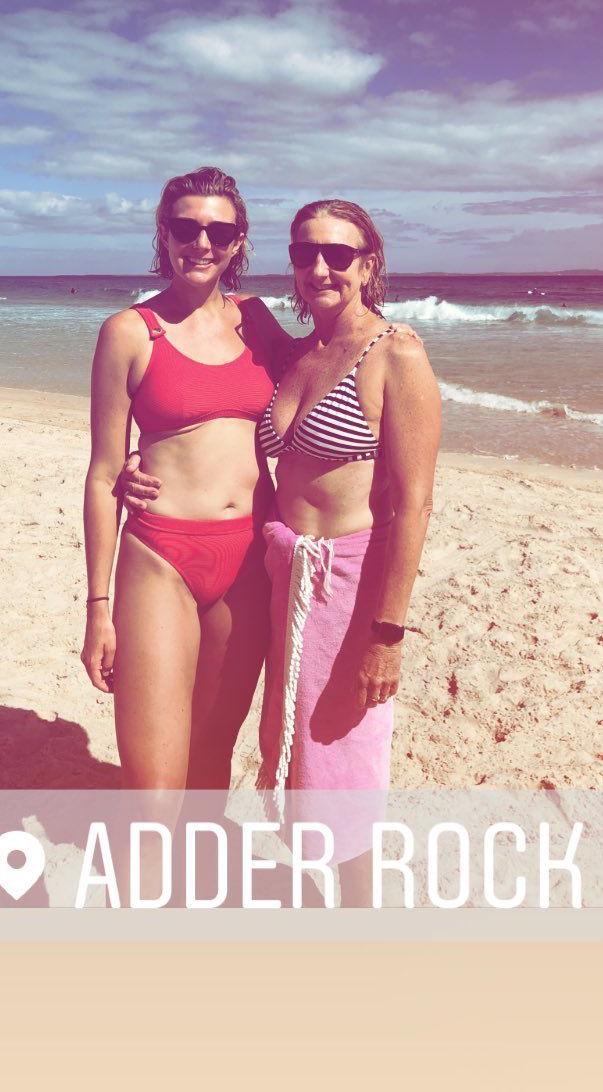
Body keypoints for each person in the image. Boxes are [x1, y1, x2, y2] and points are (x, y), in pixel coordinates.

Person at [81, 165, 287, 794]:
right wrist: (97, 609)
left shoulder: (257, 320)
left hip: (248, 558)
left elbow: (325, 382)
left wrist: (384, 338)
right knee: (155, 788)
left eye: (219, 233)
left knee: (211, 760)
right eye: (185, 228)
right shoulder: (128, 332)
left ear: (238, 241)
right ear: (164, 233)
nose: (202, 243)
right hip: (161, 557)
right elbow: (102, 473)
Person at [257, 200, 441, 903]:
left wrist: (387, 636)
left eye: (338, 254)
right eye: (304, 253)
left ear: (368, 265)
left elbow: (414, 504)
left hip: (349, 582)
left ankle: (360, 915)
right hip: (285, 576)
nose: (320, 267)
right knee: (299, 749)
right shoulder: (296, 354)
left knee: (344, 757)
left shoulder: (396, 353)